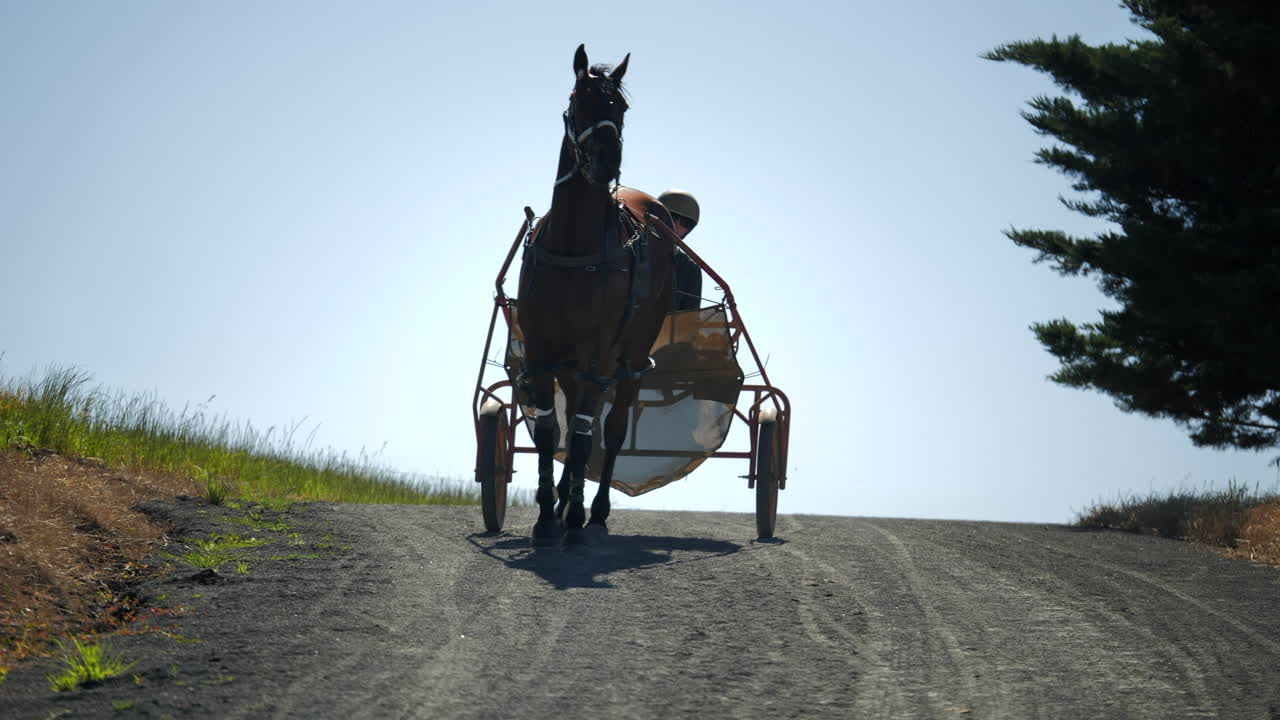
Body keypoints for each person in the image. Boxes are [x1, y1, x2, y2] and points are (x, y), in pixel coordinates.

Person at [658, 189, 703, 312]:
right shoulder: (631, 251)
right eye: (671, 216)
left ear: (688, 230)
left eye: (684, 222)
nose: (675, 225)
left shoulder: (690, 269)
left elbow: (688, 321)